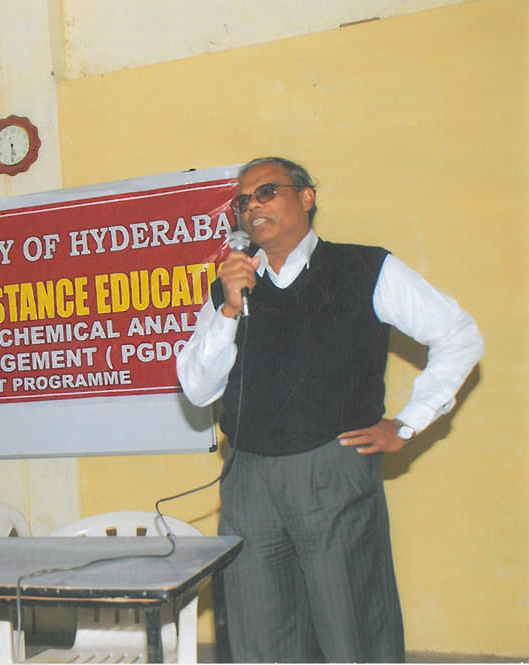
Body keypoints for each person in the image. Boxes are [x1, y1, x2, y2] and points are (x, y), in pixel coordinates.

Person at [176, 157, 483, 662]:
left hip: (331, 469)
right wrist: (229, 309)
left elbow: (458, 335)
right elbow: (196, 387)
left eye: (267, 191)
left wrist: (408, 423)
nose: (253, 206)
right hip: (248, 479)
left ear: (306, 197)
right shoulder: (231, 286)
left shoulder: (364, 267)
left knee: (353, 628)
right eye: (243, 200)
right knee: (257, 636)